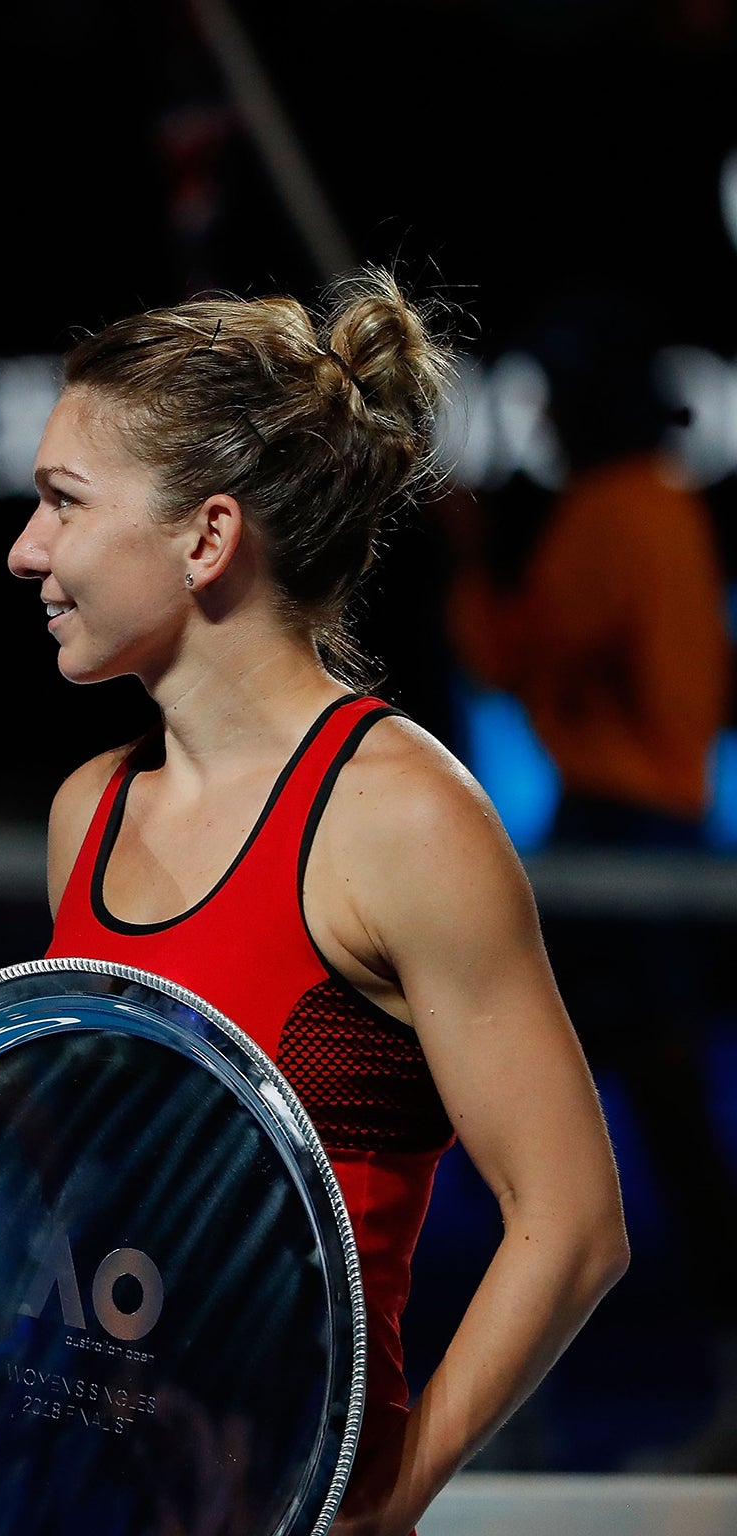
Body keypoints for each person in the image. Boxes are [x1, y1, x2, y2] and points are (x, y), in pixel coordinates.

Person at [0, 274, 629, 1536]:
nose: (24, 549)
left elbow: (572, 1224)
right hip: (78, 1493)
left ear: (206, 536)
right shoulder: (88, 813)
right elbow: (98, 1211)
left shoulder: (400, 817)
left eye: (62, 503)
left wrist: (381, 1504)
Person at [448, 299, 736, 1470]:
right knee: (636, 1112)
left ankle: (502, 1379)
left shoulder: (613, 513)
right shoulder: (664, 507)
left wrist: (464, 558)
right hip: (647, 831)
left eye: (557, 405)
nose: (544, 424)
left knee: (508, 1094)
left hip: (617, 837)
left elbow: (514, 657)